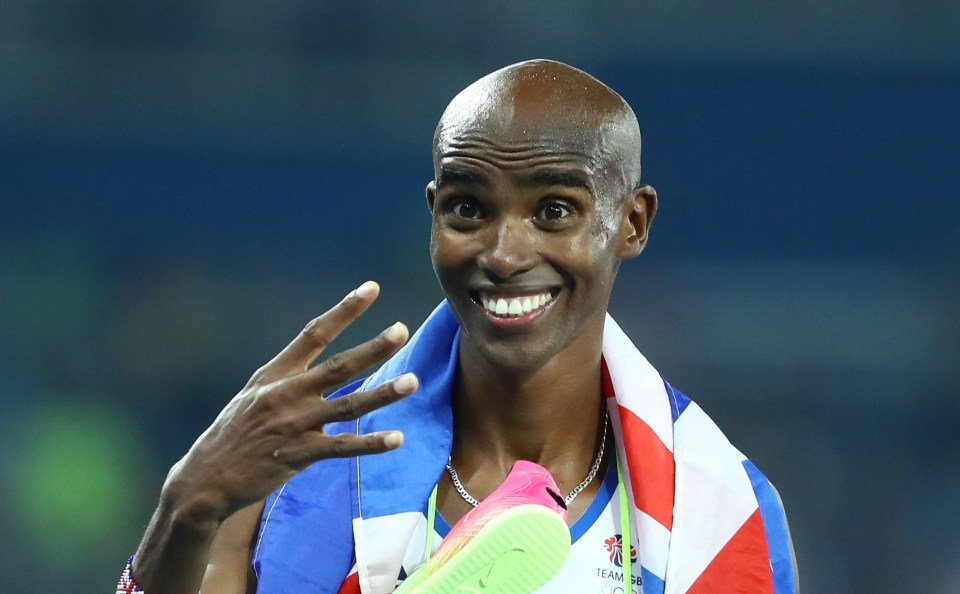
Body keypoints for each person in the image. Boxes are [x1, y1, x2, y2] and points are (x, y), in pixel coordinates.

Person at [118, 59, 799, 594]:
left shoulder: (720, 511)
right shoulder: (297, 467)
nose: (503, 255)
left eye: (554, 211)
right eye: (469, 209)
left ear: (632, 223)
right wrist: (187, 504)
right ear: (434, 211)